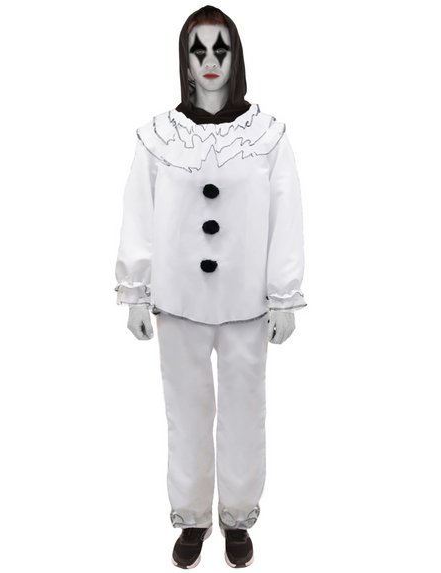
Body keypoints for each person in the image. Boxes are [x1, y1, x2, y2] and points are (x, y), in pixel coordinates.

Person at [114, 5, 307, 569]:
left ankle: (238, 516)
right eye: (198, 50)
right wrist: (134, 289)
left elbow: (286, 214)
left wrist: (285, 294)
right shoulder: (158, 138)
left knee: (245, 412)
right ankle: (193, 516)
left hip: (246, 301)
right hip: (179, 302)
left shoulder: (267, 136)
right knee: (186, 413)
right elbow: (138, 213)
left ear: (236, 55)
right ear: (185, 61)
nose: (210, 61)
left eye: (220, 48)